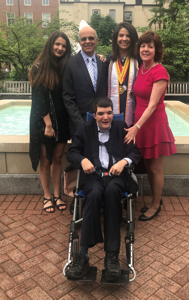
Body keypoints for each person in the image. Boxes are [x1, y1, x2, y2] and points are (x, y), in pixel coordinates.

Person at [66, 97, 142, 280]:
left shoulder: (121, 127)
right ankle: (82, 256)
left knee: (112, 192)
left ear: (113, 113)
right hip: (94, 176)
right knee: (93, 195)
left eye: (109, 112)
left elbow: (135, 152)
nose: (105, 117)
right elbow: (72, 152)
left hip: (116, 177)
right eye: (101, 113)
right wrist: (83, 160)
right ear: (94, 115)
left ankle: (112, 256)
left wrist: (123, 162)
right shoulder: (84, 129)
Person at [125, 30, 177, 221]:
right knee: (147, 164)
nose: (146, 49)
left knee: (154, 167)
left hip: (153, 125)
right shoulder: (141, 68)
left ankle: (156, 204)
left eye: (150, 46)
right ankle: (156, 199)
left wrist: (136, 127)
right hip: (141, 124)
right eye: (143, 45)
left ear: (156, 50)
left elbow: (153, 104)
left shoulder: (159, 71)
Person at [29, 31, 71, 213]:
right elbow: (38, 98)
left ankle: (57, 194)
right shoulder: (39, 66)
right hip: (43, 120)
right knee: (45, 160)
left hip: (62, 119)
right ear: (50, 45)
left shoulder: (65, 66)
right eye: (57, 44)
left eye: (63, 45)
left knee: (57, 158)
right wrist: (48, 124)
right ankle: (47, 196)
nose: (60, 48)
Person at [62, 25, 108, 136]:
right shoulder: (70, 63)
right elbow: (67, 97)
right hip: (79, 124)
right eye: (83, 39)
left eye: (91, 38)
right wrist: (80, 123)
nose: (87, 41)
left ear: (96, 41)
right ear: (79, 42)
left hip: (102, 123)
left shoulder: (103, 63)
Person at [107, 22, 139, 127]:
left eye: (128, 36)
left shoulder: (139, 61)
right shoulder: (109, 60)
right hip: (112, 109)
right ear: (116, 38)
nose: (124, 39)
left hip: (133, 110)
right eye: (121, 35)